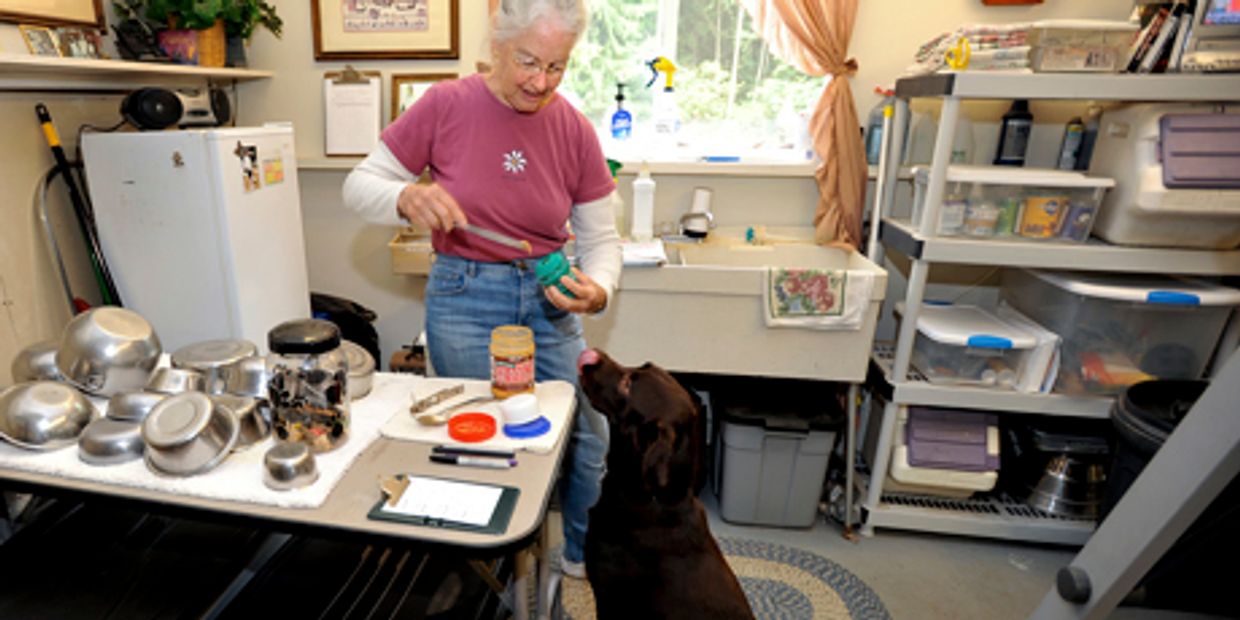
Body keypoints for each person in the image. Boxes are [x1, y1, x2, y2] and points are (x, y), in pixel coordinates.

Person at [342, 0, 619, 580]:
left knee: (587, 431)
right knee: (482, 434)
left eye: (557, 67)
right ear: (497, 44)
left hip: (550, 299)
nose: (541, 82)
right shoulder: (446, 104)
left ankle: (576, 552)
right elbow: (358, 185)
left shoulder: (573, 128)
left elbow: (601, 239)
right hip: (465, 296)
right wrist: (404, 196)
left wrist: (599, 290)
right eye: (527, 61)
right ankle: (485, 571)